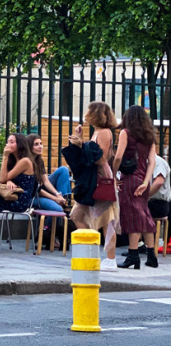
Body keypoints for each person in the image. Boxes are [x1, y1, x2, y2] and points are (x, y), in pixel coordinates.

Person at [63, 101, 120, 271]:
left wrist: (82, 144)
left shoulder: (103, 132)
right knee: (78, 214)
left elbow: (100, 158)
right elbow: (91, 153)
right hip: (94, 177)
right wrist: (81, 140)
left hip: (100, 177)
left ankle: (110, 259)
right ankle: (92, 250)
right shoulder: (97, 132)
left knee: (105, 219)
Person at [113, 105, 158, 269]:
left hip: (130, 179)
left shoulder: (125, 133)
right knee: (144, 215)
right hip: (143, 179)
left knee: (133, 217)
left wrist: (113, 174)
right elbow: (152, 162)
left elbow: (118, 157)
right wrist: (146, 182)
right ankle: (151, 255)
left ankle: (133, 255)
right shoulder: (149, 137)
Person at [28, 134, 71, 248]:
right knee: (56, 208)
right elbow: (38, 190)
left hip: (42, 191)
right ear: (29, 147)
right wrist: (55, 199)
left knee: (63, 170)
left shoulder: (39, 160)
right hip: (33, 196)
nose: (40, 146)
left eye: (41, 143)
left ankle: (64, 199)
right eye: (36, 144)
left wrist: (58, 195)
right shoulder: (28, 163)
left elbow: (45, 182)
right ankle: (45, 232)